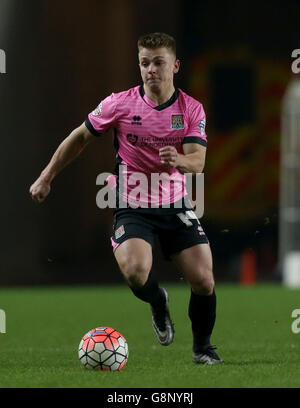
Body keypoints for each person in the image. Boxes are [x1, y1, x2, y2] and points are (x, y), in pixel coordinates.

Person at [29, 32, 223, 365]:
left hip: (175, 203)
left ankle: (202, 348)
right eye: (145, 62)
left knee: (204, 280)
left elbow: (198, 161)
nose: (151, 70)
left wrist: (179, 161)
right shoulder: (120, 104)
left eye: (158, 62)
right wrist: (46, 177)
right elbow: (79, 138)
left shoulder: (190, 108)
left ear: (174, 65)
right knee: (135, 272)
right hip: (133, 205)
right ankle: (158, 301)